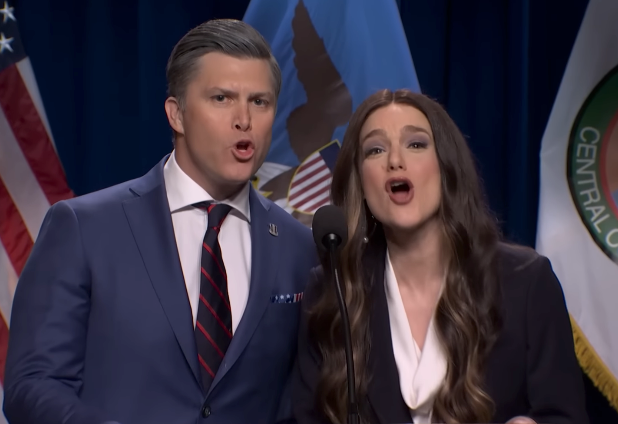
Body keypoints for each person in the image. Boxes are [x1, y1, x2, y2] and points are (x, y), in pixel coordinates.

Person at [4, 19, 317, 424]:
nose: (244, 119)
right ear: (177, 114)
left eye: (260, 101)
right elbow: (31, 385)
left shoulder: (299, 248)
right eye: (221, 98)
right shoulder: (85, 229)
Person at [292, 89, 590, 424]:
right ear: (360, 181)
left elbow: (565, 416)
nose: (395, 160)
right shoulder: (333, 288)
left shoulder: (527, 282)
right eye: (375, 150)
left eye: (416, 144)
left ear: (447, 166)